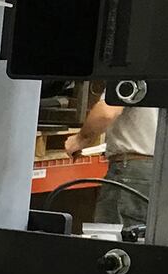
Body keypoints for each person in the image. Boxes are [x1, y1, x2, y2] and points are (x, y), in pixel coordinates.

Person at [65, 92, 157, 230]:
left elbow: (107, 112)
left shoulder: (131, 71)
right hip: (162, 169)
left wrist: (80, 139)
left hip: (132, 172)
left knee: (113, 241)